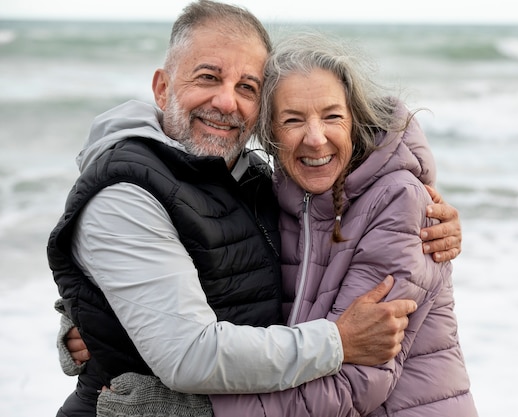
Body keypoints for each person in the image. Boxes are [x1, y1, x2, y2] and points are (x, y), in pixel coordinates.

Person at [49, 1, 463, 417]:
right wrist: (91, 321)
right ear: (162, 88)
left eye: (247, 87)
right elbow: (187, 351)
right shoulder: (130, 193)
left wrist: (429, 217)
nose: (227, 102)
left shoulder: (259, 184)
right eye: (208, 77)